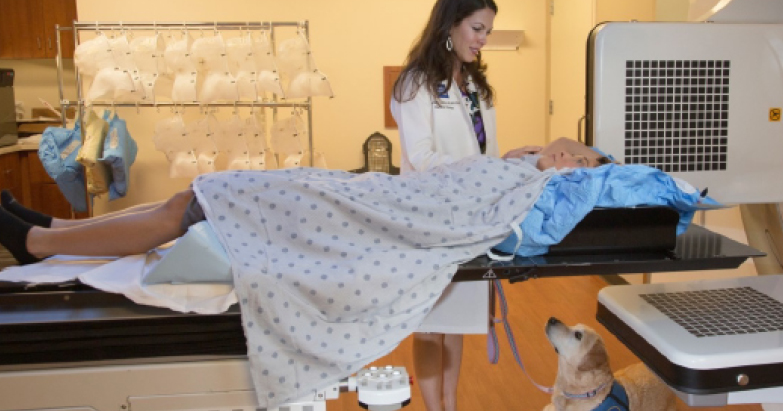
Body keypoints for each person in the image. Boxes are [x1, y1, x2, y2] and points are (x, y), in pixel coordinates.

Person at [0, 142, 606, 266]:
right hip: (363, 191)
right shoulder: (515, 164)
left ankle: (33, 243)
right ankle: (53, 226)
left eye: (582, 163)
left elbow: (472, 218)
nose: (573, 158)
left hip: (359, 208)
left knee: (191, 209)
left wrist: (528, 168)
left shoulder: (530, 184)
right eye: (576, 150)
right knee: (193, 194)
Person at [389, 0, 547, 411]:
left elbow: (486, 152)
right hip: (427, 219)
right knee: (429, 325)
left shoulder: (478, 87)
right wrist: (484, 168)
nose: (482, 39)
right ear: (450, 26)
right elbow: (421, 157)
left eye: (488, 32)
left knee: (455, 321)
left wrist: (506, 164)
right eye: (477, 29)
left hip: (470, 219)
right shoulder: (414, 84)